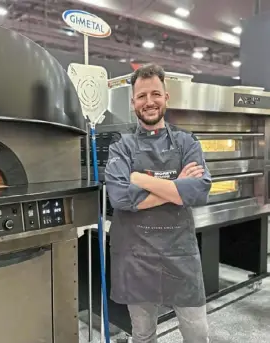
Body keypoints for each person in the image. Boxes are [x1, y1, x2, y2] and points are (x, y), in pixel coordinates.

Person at [105, 63, 212, 343]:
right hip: (136, 255)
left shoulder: (187, 142)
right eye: (141, 96)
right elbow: (119, 197)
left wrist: (140, 178)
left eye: (155, 94)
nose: (149, 102)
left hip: (180, 253)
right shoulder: (121, 146)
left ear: (166, 97)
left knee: (197, 333)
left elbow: (199, 191)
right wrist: (177, 185)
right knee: (142, 334)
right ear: (133, 103)